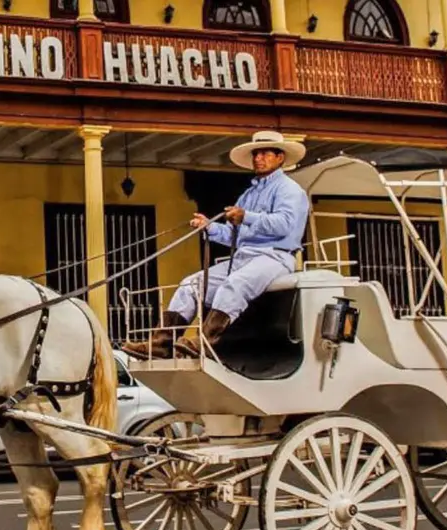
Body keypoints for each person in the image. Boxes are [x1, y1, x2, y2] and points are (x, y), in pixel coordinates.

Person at [121, 130, 310, 361]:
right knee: (191, 284)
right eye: (255, 154)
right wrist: (209, 228)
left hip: (275, 257)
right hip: (244, 257)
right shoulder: (248, 195)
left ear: (280, 157)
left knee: (235, 284)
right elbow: (235, 235)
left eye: (264, 153)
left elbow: (285, 225)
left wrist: (246, 216)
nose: (258, 158)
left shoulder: (289, 190)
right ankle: (161, 343)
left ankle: (206, 343)